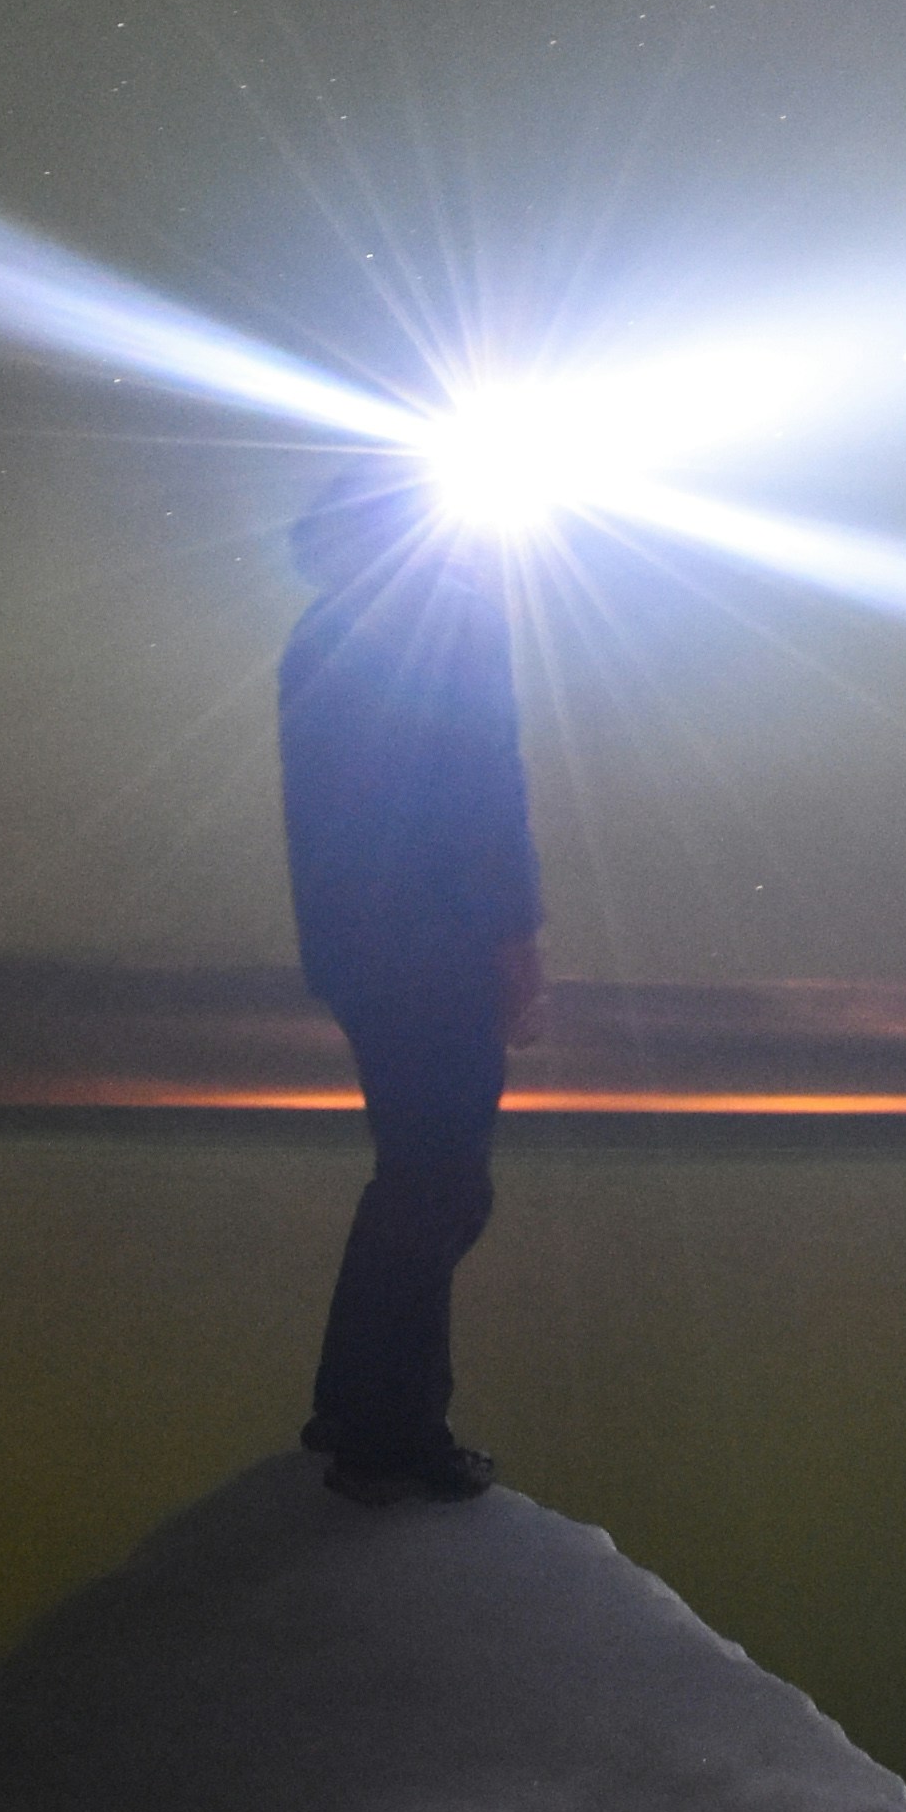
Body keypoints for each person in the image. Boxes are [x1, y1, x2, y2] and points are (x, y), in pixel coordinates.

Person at [276, 454, 546, 1504]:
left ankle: (363, 1409)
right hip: (434, 947)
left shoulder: (321, 632)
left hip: (362, 950)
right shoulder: (453, 618)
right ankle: (388, 1429)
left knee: (419, 1178)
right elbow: (487, 789)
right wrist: (515, 938)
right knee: (439, 1182)